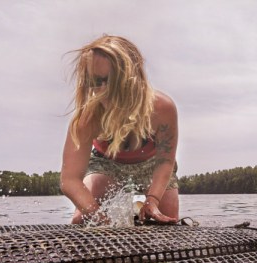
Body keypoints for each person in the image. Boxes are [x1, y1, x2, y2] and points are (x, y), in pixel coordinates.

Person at [60, 35, 179, 225]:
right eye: (93, 82)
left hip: (152, 164)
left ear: (131, 79)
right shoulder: (88, 118)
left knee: (167, 219)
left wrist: (152, 200)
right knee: (81, 219)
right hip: (106, 164)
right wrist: (97, 216)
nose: (100, 91)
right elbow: (70, 180)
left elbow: (165, 163)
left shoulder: (162, 108)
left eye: (107, 81)